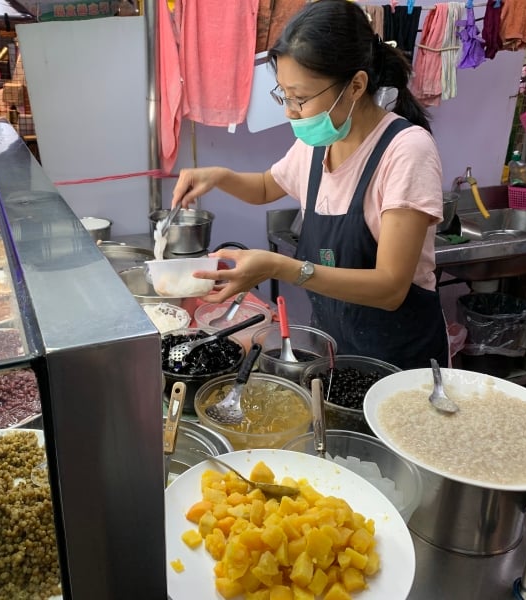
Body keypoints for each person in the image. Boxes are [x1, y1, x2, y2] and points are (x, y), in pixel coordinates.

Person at [170, 0, 448, 370]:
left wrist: (281, 267)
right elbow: (268, 186)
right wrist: (219, 176)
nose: (289, 111)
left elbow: (391, 287)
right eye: (284, 95)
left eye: (300, 98)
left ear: (355, 86)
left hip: (400, 362)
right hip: (338, 349)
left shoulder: (406, 152)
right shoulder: (319, 142)